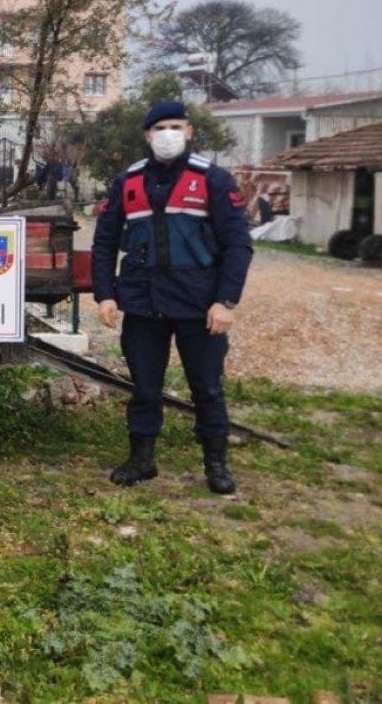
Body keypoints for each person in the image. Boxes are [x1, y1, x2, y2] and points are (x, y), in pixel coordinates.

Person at [91, 100, 253, 494]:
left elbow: (238, 245)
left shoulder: (213, 179)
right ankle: (141, 460)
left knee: (207, 387)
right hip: (144, 305)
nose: (168, 134)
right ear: (147, 135)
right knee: (145, 387)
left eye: (176, 126)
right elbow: (105, 242)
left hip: (200, 306)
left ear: (190, 131)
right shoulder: (127, 182)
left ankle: (216, 463)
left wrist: (225, 301)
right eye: (160, 127)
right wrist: (105, 295)